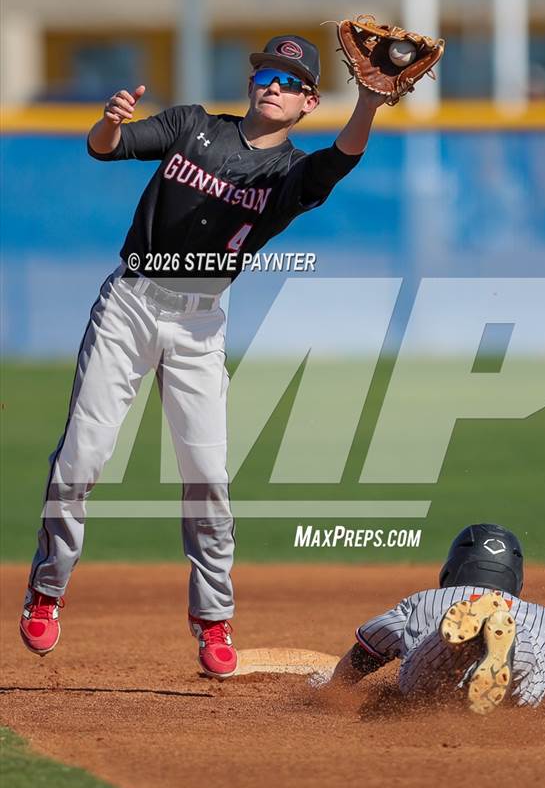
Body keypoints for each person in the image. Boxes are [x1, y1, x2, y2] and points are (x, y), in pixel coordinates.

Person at [19, 35, 386, 680]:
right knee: (82, 457)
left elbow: (342, 159)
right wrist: (108, 123)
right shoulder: (192, 125)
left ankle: (214, 620)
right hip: (131, 303)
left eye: (290, 81)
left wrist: (371, 102)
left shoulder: (287, 175)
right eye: (266, 74)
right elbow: (105, 148)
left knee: (208, 477)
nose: (273, 85)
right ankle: (47, 594)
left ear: (307, 103)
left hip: (199, 325)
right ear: (251, 85)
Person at [324, 524, 545, 713]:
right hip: (517, 682)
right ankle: (508, 645)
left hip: (430, 688)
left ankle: (464, 639)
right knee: (527, 666)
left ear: (452, 568)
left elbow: (368, 649)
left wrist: (333, 689)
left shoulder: (423, 601)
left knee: (432, 657)